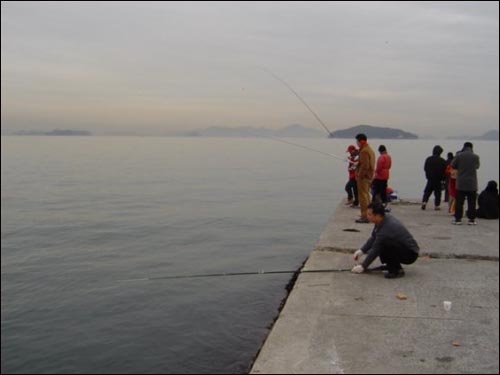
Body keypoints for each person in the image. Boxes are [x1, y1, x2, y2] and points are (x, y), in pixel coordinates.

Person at [351, 202, 419, 278]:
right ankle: (390, 264)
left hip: (410, 254)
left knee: (384, 244)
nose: (367, 216)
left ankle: (396, 270)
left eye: (370, 214)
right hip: (402, 247)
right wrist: (361, 251)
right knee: (383, 243)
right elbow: (374, 237)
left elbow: (375, 249)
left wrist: (363, 266)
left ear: (378, 215)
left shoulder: (386, 228)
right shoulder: (382, 219)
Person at [450, 142, 480, 225]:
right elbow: (477, 166)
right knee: (472, 202)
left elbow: (453, 165)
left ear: (464, 147)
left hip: (461, 183)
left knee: (459, 202)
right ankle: (471, 220)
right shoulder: (476, 156)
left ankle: (458, 219)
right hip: (472, 183)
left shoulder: (459, 155)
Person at [354, 133, 375, 223]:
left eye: (357, 141)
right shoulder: (369, 149)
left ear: (361, 141)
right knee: (366, 196)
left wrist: (359, 176)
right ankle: (369, 214)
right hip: (369, 176)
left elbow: (365, 166)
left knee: (363, 197)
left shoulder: (364, 151)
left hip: (364, 178)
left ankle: (365, 216)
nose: (356, 143)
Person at [421, 145, 447, 211]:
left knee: (427, 192)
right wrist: (443, 178)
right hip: (438, 179)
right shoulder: (443, 161)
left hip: (430, 178)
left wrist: (428, 175)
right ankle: (437, 205)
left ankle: (424, 202)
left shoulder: (428, 159)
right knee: (438, 193)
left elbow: (425, 168)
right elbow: (445, 171)